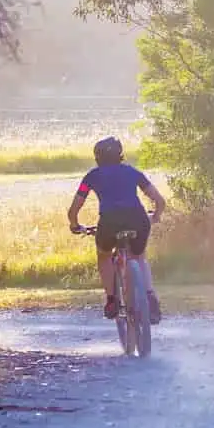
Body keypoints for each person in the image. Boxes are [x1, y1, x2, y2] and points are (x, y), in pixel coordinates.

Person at [67, 136, 165, 323]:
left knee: (104, 255)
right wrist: (156, 216)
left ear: (97, 157)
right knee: (138, 255)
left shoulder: (91, 177)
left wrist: (75, 225)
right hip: (138, 218)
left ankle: (112, 300)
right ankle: (150, 296)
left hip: (110, 221)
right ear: (120, 154)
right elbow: (160, 201)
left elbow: (74, 208)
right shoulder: (133, 172)